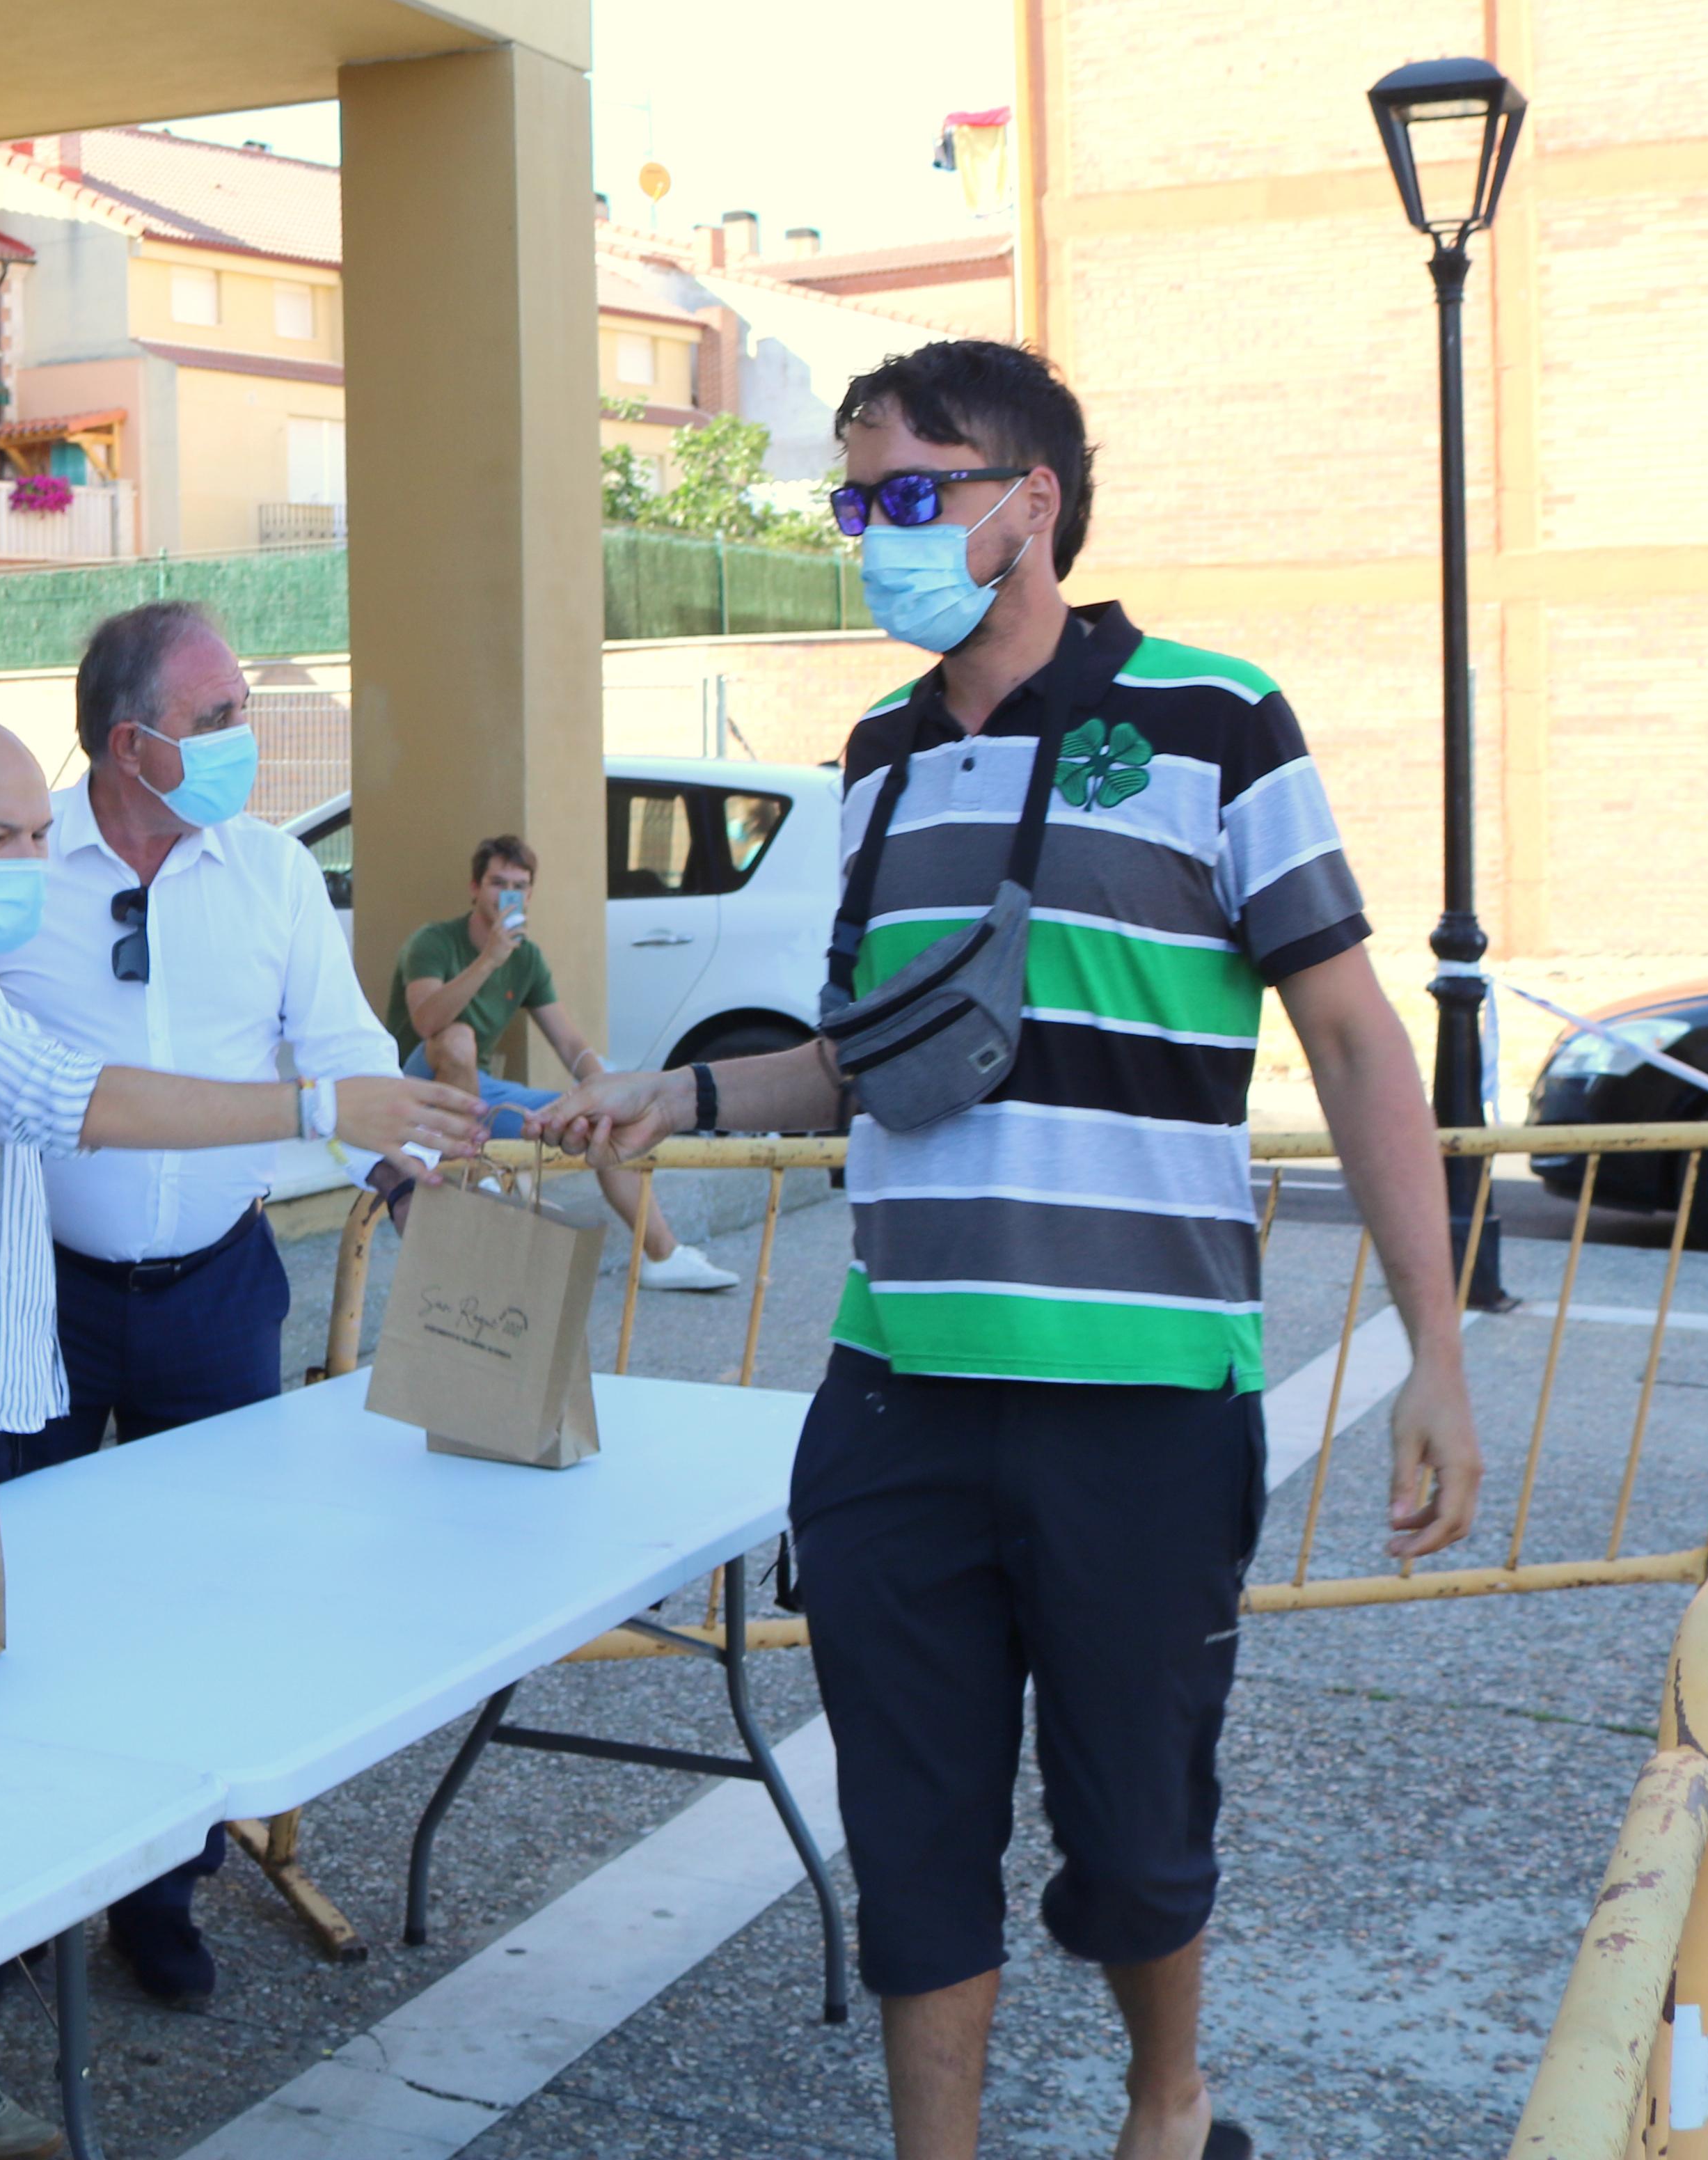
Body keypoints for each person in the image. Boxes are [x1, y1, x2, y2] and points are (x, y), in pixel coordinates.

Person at [532, 340, 1481, 2160]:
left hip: (1139, 1397)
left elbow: (1358, 1038)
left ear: (1029, 504)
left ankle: (1167, 2103)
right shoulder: (879, 760)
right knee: (912, 1835)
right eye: (853, 503)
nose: (873, 535)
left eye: (910, 495)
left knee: (1134, 1835)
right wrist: (688, 1098)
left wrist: (1433, 1352)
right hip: (900, 1399)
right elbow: (867, 1055)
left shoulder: (1218, 718)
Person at [0, 599, 406, 2009]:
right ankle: (5, 1897)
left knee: (200, 1598)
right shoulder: (17, 866)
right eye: (221, 714)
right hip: (33, 1296)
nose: (249, 734)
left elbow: (338, 1043)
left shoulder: (274, 871)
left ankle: (156, 1894)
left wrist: (404, 1152)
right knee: (18, 1591)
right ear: (130, 741)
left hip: (217, 1287)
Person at [0, 711, 484, 1476]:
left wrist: (399, 1167)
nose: (28, 861)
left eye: (38, 835)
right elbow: (74, 1101)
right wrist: (317, 1107)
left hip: (21, 1372)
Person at [385, 831, 734, 1293]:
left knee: (600, 1117)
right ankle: (476, 1172)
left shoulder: (527, 959)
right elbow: (427, 1020)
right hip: (411, 1088)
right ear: (475, 888)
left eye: (518, 884)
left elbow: (570, 1044)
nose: (506, 891)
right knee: (457, 1037)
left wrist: (609, 1091)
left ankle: (662, 1255)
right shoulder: (433, 942)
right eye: (496, 882)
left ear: (529, 893)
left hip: (473, 1092)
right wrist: (488, 959)